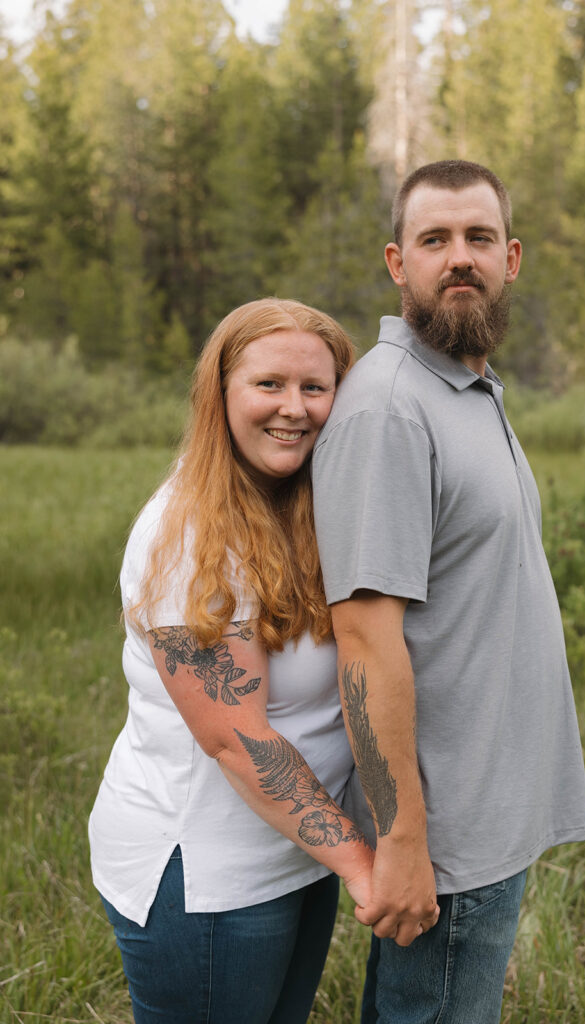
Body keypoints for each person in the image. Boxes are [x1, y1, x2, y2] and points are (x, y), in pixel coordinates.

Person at [312, 160, 585, 1024]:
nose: (458, 257)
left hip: (485, 817)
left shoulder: (465, 391)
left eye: (477, 238)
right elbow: (362, 638)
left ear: (511, 258)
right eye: (434, 239)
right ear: (398, 264)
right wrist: (402, 840)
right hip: (445, 838)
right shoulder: (389, 410)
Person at [89, 298, 372, 1024]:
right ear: (220, 395)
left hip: (295, 856)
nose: (294, 408)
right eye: (268, 384)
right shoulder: (186, 535)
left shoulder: (301, 506)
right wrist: (366, 869)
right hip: (207, 879)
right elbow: (236, 739)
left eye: (315, 387)